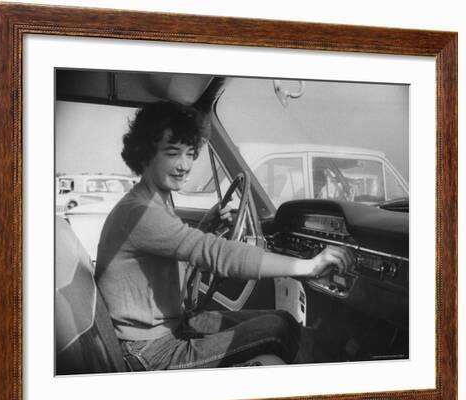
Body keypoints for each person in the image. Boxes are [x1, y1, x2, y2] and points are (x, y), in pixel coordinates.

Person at [94, 102, 354, 371]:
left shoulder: (152, 202)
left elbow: (175, 252)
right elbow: (218, 254)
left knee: (277, 316)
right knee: (280, 327)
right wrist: (308, 266)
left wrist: (206, 226)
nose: (184, 165)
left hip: (171, 326)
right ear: (145, 154)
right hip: (150, 352)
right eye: (172, 153)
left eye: (190, 153)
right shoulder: (141, 213)